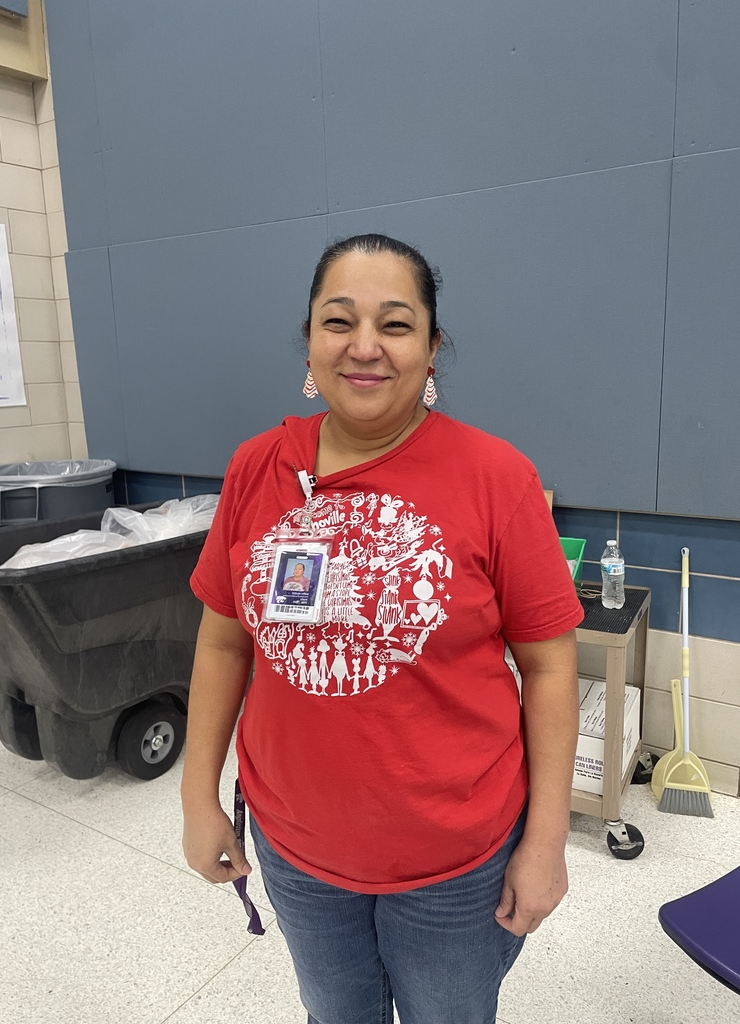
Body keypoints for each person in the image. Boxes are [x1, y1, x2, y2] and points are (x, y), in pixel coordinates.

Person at [182, 233, 584, 1024]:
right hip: (296, 848)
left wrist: (545, 843)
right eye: (339, 321)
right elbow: (224, 640)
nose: (365, 346)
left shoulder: (497, 478)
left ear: (433, 348)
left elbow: (550, 668)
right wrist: (199, 796)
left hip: (455, 860)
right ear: (309, 341)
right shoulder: (257, 467)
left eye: (396, 325)